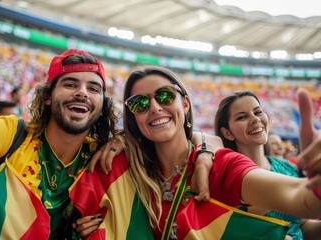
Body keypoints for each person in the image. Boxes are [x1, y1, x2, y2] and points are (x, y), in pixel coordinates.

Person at [74, 66, 321, 239]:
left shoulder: (218, 165)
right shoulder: (127, 169)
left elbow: (298, 197)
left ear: (185, 102)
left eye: (165, 96)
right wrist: (88, 227)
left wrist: (315, 187)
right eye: (140, 103)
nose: (155, 108)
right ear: (133, 117)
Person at [0, 49, 120, 239]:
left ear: (103, 105)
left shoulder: (99, 158)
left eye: (93, 89)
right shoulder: (6, 132)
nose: (82, 93)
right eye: (70, 84)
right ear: (47, 96)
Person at [214, 90, 321, 240]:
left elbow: (300, 226)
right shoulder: (228, 177)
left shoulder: (287, 167)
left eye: (258, 112)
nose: (254, 119)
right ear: (227, 133)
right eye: (242, 117)